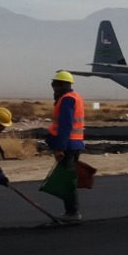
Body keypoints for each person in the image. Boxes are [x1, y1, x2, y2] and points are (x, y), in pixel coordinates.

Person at [46, 70, 86, 223]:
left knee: (66, 180)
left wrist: (59, 148)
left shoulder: (68, 99)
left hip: (68, 146)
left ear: (64, 85)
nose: (54, 87)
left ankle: (72, 213)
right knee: (67, 178)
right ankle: (71, 211)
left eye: (57, 84)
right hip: (74, 144)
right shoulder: (73, 97)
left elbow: (65, 126)